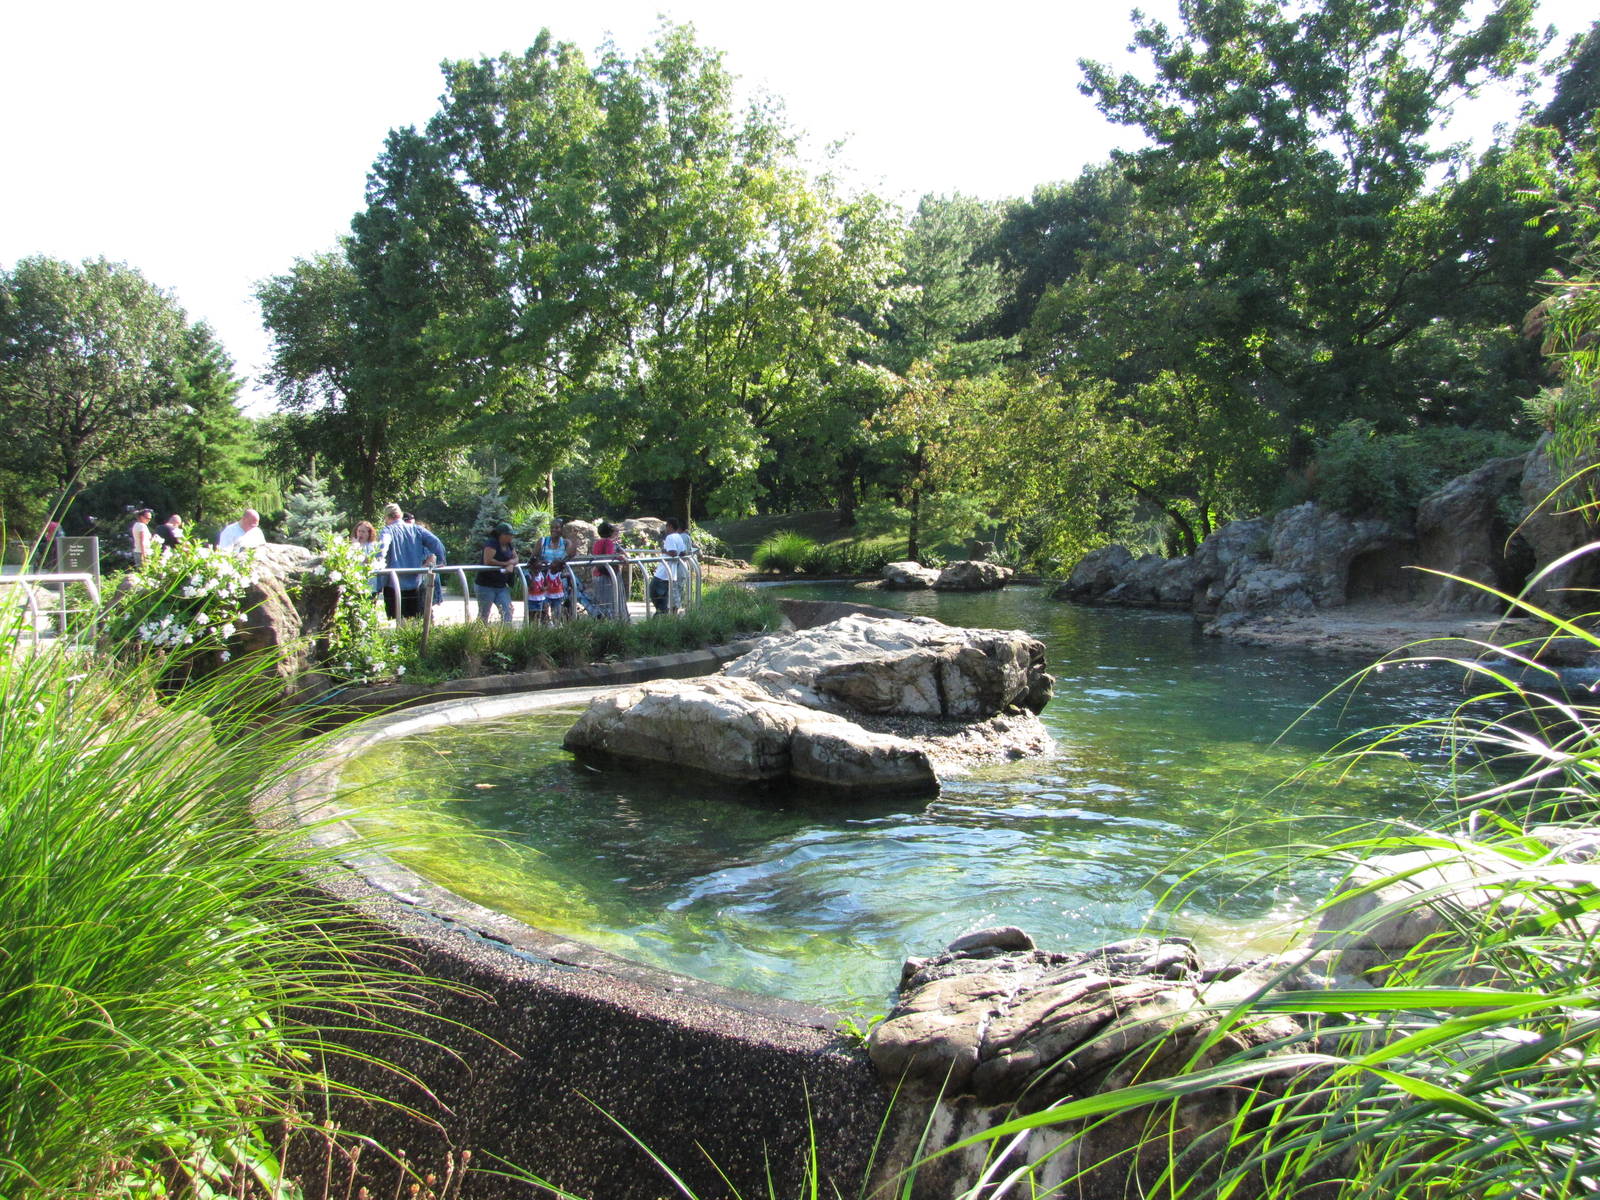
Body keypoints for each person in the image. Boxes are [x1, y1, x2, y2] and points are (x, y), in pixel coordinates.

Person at [377, 502, 446, 619]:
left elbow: (382, 548)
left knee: (400, 619)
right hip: (416, 582)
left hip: (394, 583)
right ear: (400, 514)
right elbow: (436, 543)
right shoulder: (416, 529)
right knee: (416, 619)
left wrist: (378, 563)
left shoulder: (387, 530)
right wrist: (441, 561)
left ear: (387, 517)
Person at [477, 521, 519, 623]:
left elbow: (516, 558)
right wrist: (505, 564)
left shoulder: (509, 545)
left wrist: (511, 563)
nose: (511, 537)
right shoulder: (492, 543)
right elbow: (488, 561)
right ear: (502, 535)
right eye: (509, 535)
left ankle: (507, 635)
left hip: (501, 585)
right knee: (484, 614)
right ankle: (479, 635)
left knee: (507, 611)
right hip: (486, 585)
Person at [650, 517, 691, 615]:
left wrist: (665, 551)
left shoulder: (670, 537)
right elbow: (683, 553)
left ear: (670, 526)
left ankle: (659, 620)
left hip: (662, 574)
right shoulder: (679, 537)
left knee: (654, 593)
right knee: (663, 601)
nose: (665, 529)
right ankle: (663, 621)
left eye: (666, 526)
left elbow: (673, 552)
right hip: (671, 575)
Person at [538, 518, 572, 618]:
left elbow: (570, 555)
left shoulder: (565, 543)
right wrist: (543, 563)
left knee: (559, 606)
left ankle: (560, 624)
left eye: (557, 527)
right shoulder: (543, 542)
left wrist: (559, 563)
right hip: (545, 578)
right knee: (544, 606)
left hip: (559, 578)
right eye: (552, 527)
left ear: (562, 529)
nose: (554, 530)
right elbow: (533, 558)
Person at [589, 520, 623, 618]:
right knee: (610, 600)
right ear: (610, 532)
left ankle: (600, 618)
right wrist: (620, 557)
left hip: (597, 574)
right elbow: (609, 556)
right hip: (606, 576)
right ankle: (612, 619)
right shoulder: (608, 542)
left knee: (601, 600)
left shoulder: (598, 542)